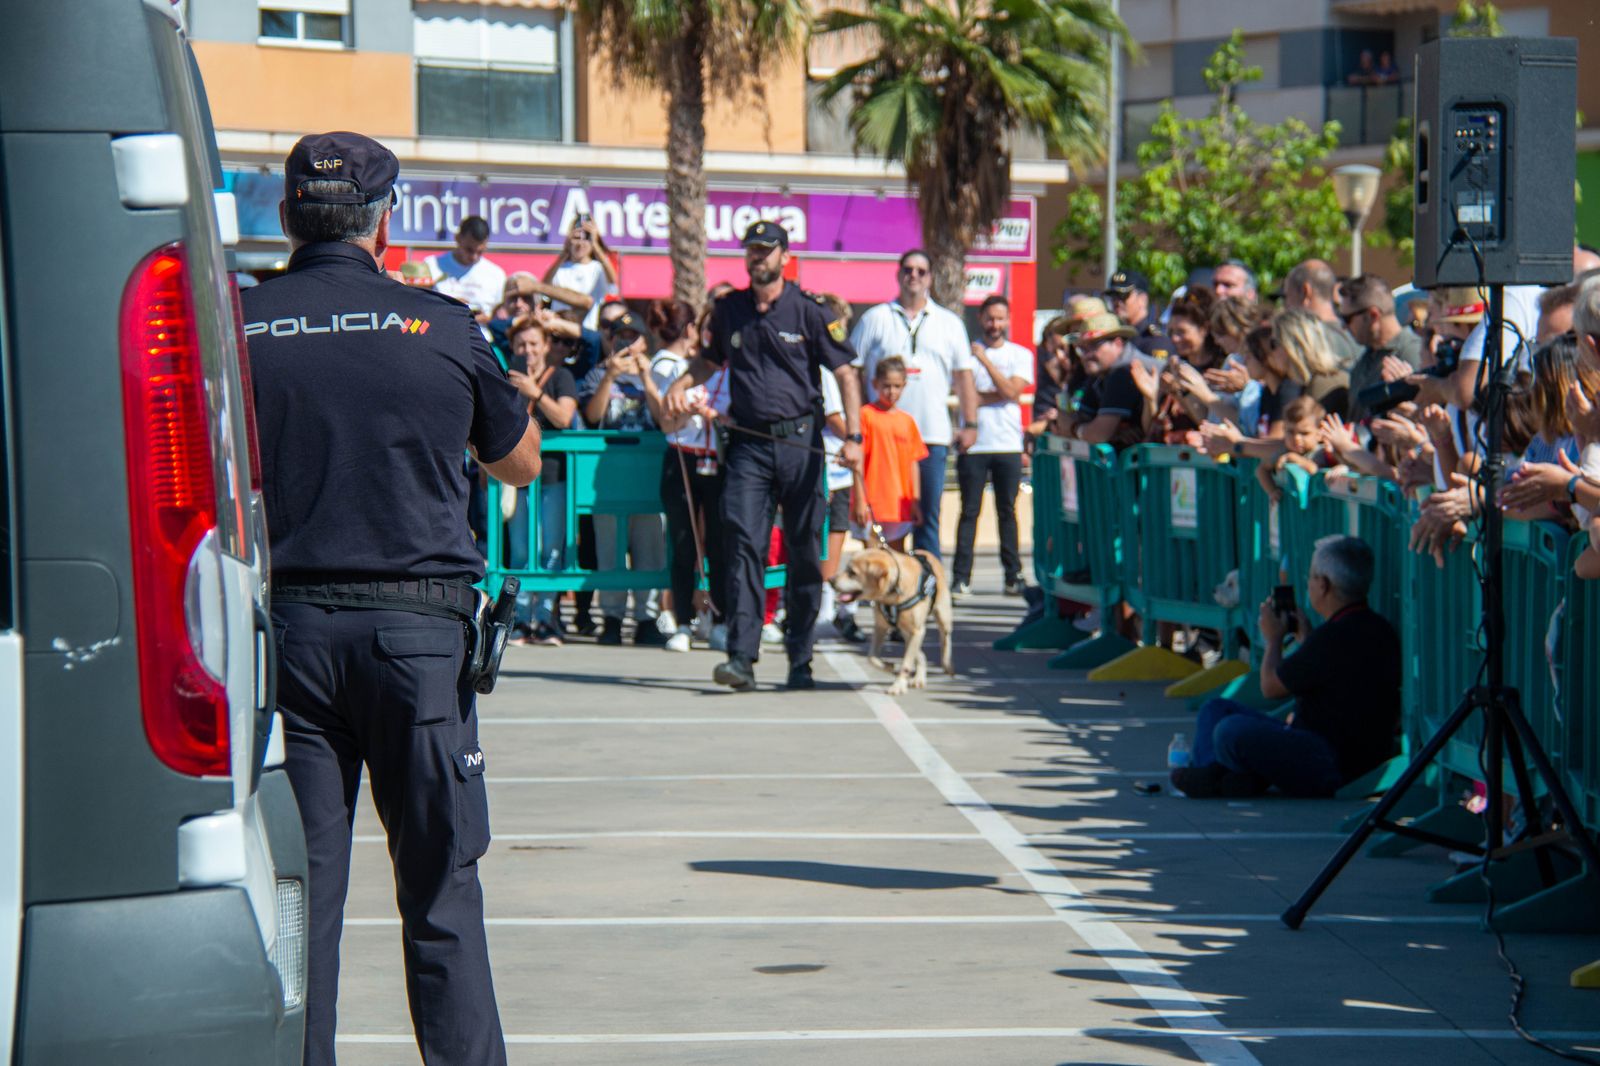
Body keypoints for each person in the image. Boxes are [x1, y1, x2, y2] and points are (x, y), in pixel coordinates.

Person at [242, 132, 540, 1066]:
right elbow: (517, 461)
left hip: (287, 636)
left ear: (291, 217)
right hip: (417, 638)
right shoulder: (443, 324)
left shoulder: (237, 329)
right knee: (442, 890)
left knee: (302, 898)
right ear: (386, 220)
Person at [663, 220, 863, 691]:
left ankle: (800, 659)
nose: (758, 258)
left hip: (800, 443)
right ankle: (741, 658)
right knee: (742, 546)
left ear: (784, 257)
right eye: (752, 250)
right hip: (748, 445)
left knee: (801, 552)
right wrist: (679, 384)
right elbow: (708, 362)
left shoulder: (810, 311)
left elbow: (847, 373)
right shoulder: (729, 308)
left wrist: (853, 436)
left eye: (767, 250)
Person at [1172, 536, 1401, 798]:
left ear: (1323, 585)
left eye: (1311, 577)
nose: (1308, 584)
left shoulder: (1332, 637)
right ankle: (1228, 776)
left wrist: (1274, 640)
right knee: (1216, 708)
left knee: (1230, 731)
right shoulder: (1376, 628)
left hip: (1328, 760)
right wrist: (1306, 639)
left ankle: (1219, 775)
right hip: (1334, 745)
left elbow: (1271, 687)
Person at [849, 249, 978, 558]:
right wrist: (855, 424)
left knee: (926, 517)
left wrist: (970, 424)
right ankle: (888, 589)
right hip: (882, 439)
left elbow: (963, 377)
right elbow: (851, 373)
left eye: (921, 271)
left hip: (930, 435)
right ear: (898, 274)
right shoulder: (875, 318)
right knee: (885, 520)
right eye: (908, 269)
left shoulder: (949, 323)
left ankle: (926, 589)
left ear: (930, 277)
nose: (914, 276)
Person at [580, 310, 670, 646]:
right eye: (621, 338)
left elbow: (663, 420)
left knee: (650, 548)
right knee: (609, 550)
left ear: (645, 341)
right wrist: (609, 377)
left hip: (648, 477)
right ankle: (613, 617)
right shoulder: (597, 375)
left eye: (634, 338)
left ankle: (646, 617)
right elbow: (592, 416)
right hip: (609, 479)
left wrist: (647, 380)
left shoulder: (658, 376)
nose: (628, 345)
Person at [646, 298, 729, 653]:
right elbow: (666, 421)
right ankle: (682, 622)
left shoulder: (733, 370)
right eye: (707, 328)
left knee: (719, 546)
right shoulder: (684, 369)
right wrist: (684, 411)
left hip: (720, 461)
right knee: (682, 544)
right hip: (682, 458)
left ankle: (719, 619)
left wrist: (717, 416)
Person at [951, 295, 1033, 597]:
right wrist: (994, 392)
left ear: (1008, 320)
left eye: (1000, 318)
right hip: (974, 446)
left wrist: (985, 361)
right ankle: (960, 578)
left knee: (1006, 512)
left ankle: (1012, 576)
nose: (994, 324)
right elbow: (963, 391)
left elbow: (1012, 391)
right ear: (981, 319)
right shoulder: (964, 357)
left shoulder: (1020, 354)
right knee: (969, 512)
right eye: (989, 318)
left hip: (1008, 445)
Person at [506, 314, 580, 646]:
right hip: (517, 477)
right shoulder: (505, 379)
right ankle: (521, 619)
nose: (528, 350)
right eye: (522, 344)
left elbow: (565, 416)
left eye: (534, 343)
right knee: (521, 549)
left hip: (554, 476)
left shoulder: (560, 376)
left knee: (552, 548)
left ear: (546, 346)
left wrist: (535, 392)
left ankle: (548, 617)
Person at [815, 293, 868, 643]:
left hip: (836, 469)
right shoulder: (827, 368)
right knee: (827, 545)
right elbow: (834, 417)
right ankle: (824, 611)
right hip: (830, 467)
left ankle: (835, 609)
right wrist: (854, 434)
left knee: (835, 539)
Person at [854, 357, 927, 551]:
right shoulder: (866, 415)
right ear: (875, 384)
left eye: (897, 386)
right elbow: (858, 460)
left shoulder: (907, 421)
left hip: (898, 504)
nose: (892, 392)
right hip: (873, 502)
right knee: (871, 559)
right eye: (886, 386)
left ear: (904, 385)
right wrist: (860, 500)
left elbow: (914, 463)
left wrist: (915, 501)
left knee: (895, 557)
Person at [1340, 273, 1425, 421]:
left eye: (1347, 319)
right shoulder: (1367, 356)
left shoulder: (1413, 353)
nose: (1343, 327)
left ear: (1373, 314)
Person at [1067, 312, 1146, 449]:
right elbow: (1082, 418)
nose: (1085, 356)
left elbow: (1099, 434)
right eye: (1081, 348)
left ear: (1118, 343)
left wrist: (1074, 429)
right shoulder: (1100, 373)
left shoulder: (1124, 371)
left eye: (1093, 346)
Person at [1283, 259, 1362, 369]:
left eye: (1287, 296)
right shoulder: (1358, 336)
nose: (1286, 305)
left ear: (1306, 291)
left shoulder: (1306, 342)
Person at [545, 215, 618, 330]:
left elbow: (613, 283)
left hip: (587, 331)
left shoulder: (598, 268)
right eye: (577, 238)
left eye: (586, 238)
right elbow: (544, 287)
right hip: (559, 331)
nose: (580, 243)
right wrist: (565, 251)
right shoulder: (559, 268)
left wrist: (595, 244)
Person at [425, 215, 506, 318]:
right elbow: (421, 305)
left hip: (481, 332)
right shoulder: (432, 265)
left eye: (480, 252)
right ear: (458, 238)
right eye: (469, 250)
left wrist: (488, 318)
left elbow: (502, 316)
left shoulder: (496, 274)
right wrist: (450, 306)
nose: (474, 257)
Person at [1104, 268, 1171, 358]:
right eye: (1113, 296)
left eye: (1123, 296)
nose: (1117, 302)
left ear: (1142, 299)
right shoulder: (1114, 337)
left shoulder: (1154, 340)